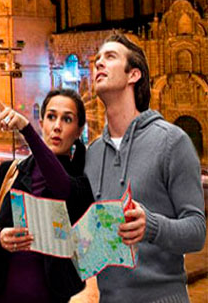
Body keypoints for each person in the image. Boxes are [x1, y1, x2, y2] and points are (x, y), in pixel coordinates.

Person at [85, 34, 205, 303]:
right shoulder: (92, 154)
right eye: (97, 60)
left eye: (110, 57)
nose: (99, 63)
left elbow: (197, 230)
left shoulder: (172, 142)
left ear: (134, 75)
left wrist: (151, 226)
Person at [0, 90, 94, 302]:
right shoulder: (8, 174)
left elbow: (62, 188)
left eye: (67, 119)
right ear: (42, 122)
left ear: (79, 130)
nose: (57, 126)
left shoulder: (81, 182)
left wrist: (26, 130)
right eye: (51, 117)